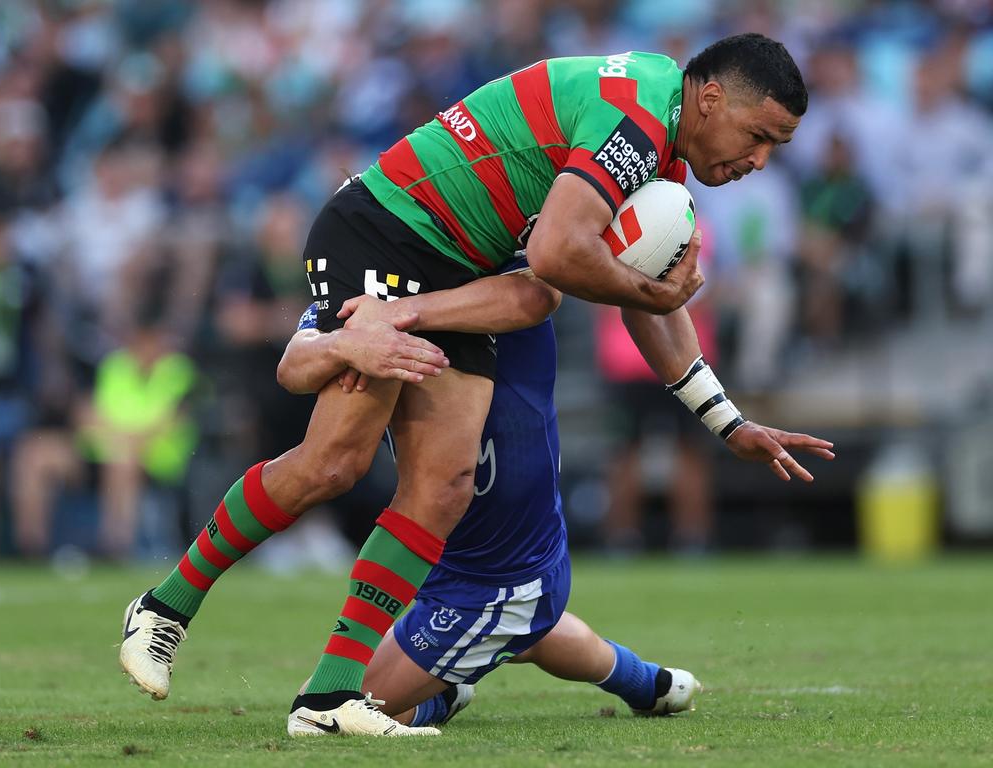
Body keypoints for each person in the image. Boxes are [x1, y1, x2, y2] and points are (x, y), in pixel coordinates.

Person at [120, 34, 811, 735]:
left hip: (451, 269)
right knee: (336, 460)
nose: (760, 160)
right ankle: (164, 606)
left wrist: (726, 420)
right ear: (712, 98)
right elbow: (558, 253)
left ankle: (328, 699)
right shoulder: (634, 119)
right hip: (384, 236)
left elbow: (634, 298)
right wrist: (650, 291)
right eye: (760, 136)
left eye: (775, 148)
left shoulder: (659, 130)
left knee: (444, 485)